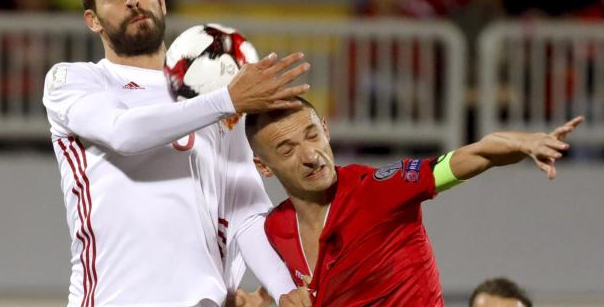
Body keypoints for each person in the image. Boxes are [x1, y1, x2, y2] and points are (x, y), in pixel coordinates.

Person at [42, 0, 311, 306]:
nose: (132, 0)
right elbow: (123, 132)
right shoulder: (73, 80)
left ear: (161, 1)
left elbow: (245, 212)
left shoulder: (215, 97)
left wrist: (283, 290)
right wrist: (227, 101)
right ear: (93, 20)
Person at [245, 98, 583, 306]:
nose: (310, 156)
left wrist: (525, 144)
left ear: (326, 129)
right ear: (263, 166)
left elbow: (476, 153)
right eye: (287, 150)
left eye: (312, 135)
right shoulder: (276, 229)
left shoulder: (379, 189)